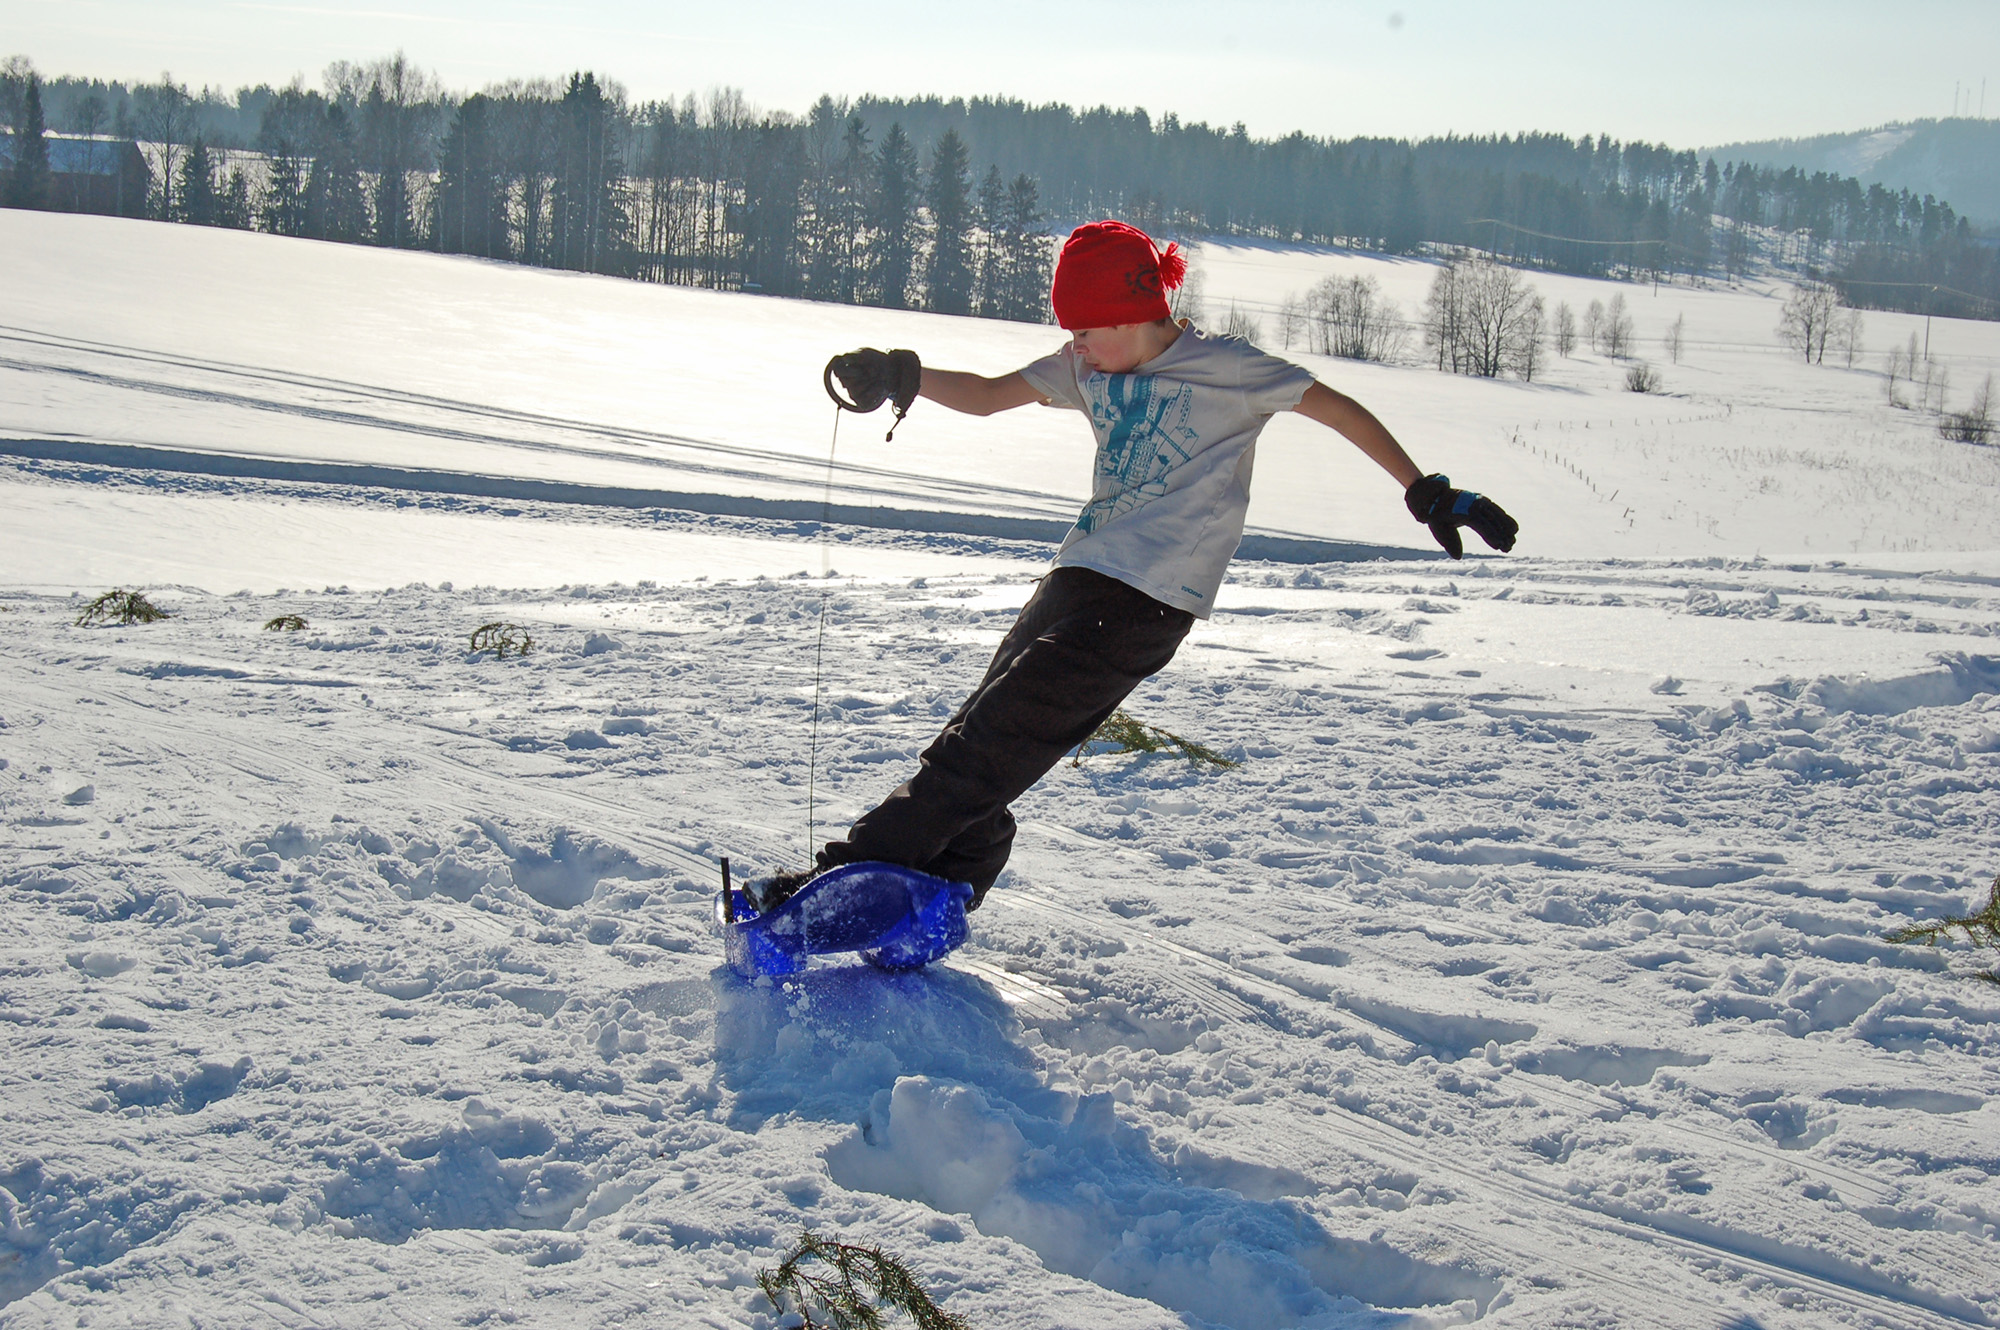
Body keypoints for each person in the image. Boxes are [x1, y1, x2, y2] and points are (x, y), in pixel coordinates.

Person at [749, 219, 1516, 911]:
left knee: (983, 746)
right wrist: (903, 376)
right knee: (981, 732)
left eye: (1085, 330)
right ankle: (945, 880)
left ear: (1134, 313)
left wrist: (1422, 489)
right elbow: (988, 396)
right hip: (1076, 575)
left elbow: (1339, 409)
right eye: (1071, 334)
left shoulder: (1232, 372)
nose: (1076, 346)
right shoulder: (1087, 366)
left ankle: (839, 884)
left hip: (1148, 601)